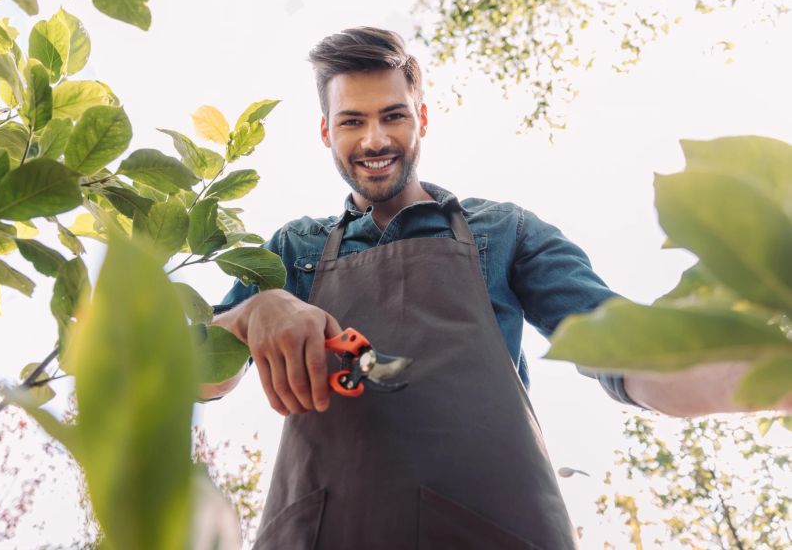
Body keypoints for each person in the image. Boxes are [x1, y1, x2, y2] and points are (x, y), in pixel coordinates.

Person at [204, 27, 783, 549]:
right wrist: (250, 313)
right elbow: (197, 377)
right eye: (352, 121)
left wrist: (773, 378)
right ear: (326, 131)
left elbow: (630, 354)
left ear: (422, 119)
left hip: (493, 529)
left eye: (394, 115)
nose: (375, 139)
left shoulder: (505, 232)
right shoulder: (290, 251)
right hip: (322, 532)